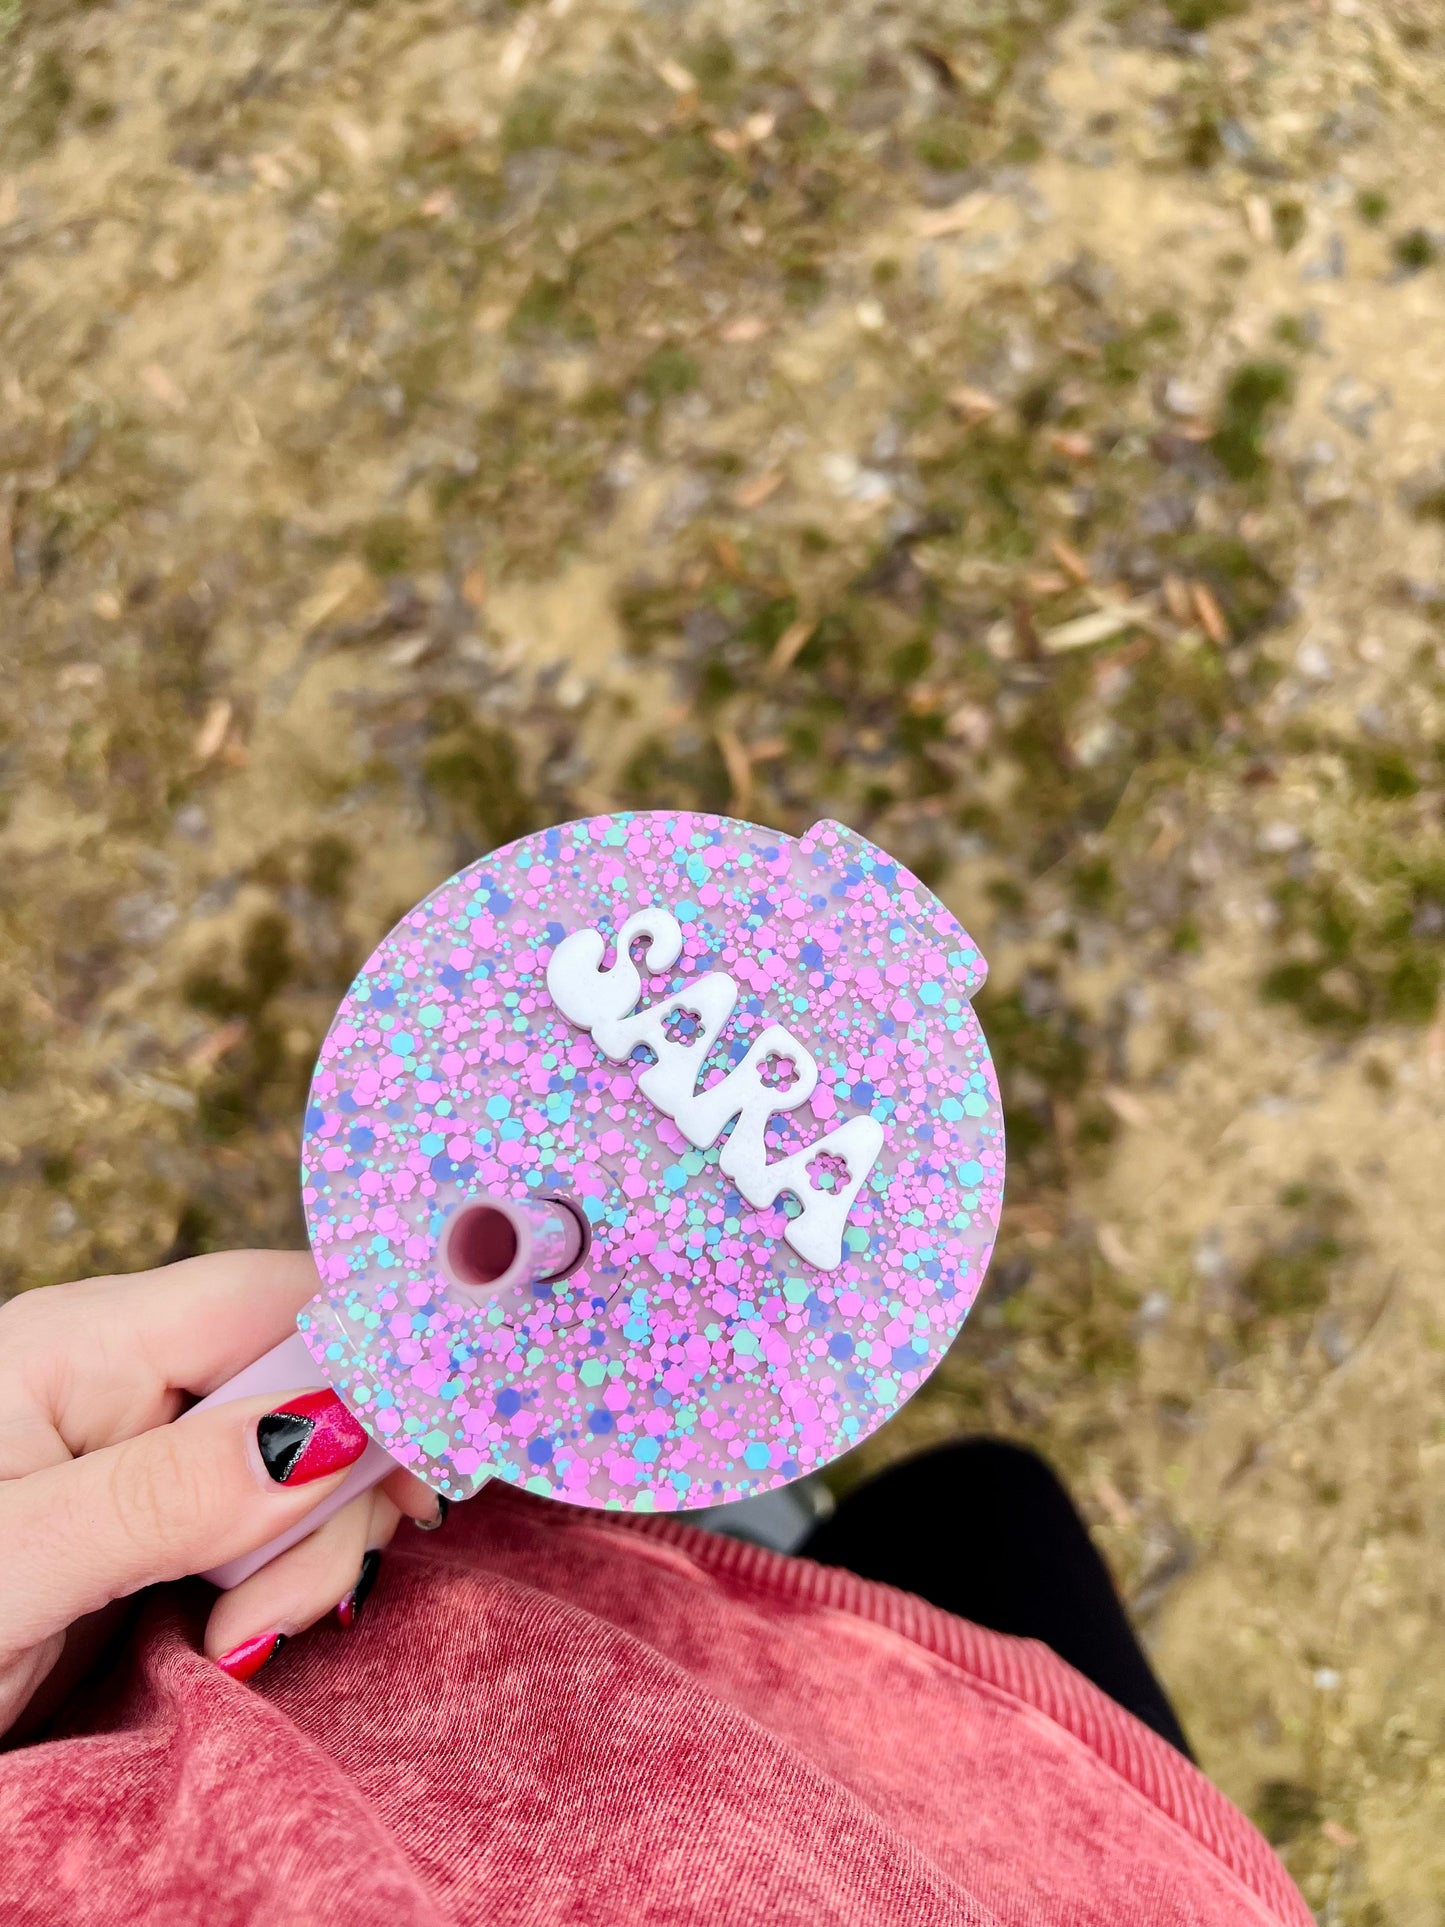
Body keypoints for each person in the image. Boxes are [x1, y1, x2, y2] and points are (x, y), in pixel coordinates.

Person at [0, 1251, 1310, 1925]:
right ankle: (716, 1561)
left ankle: (690, 1564)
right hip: (992, 1856)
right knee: (986, 1508)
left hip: (255, 1690)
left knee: (971, 1511)